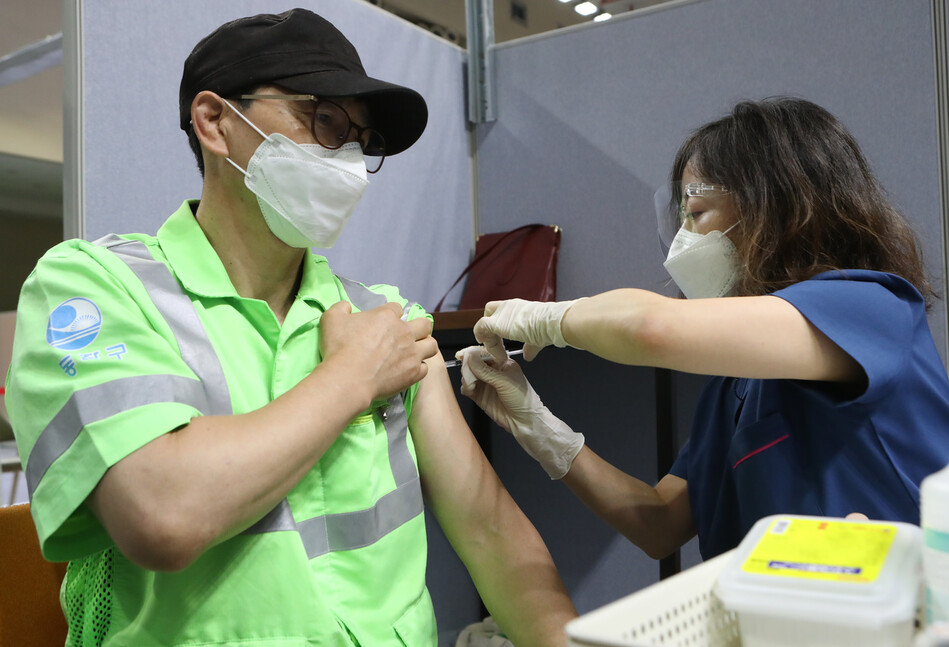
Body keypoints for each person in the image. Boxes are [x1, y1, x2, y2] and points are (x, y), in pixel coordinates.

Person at [5, 9, 577, 646]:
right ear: (216, 122)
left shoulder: (382, 316)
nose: (351, 161)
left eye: (363, 140)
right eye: (325, 120)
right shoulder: (97, 286)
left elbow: (489, 527)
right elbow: (161, 515)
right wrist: (352, 377)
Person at [456, 97, 949, 562]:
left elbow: (651, 328)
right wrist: (540, 427)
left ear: (777, 207)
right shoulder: (740, 384)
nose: (682, 241)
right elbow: (661, 523)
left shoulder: (868, 305)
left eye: (696, 213)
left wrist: (551, 317)